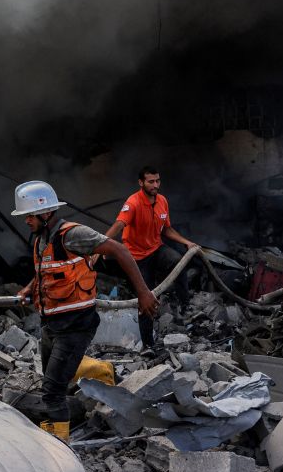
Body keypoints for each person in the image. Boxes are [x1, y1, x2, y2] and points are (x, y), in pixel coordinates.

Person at [12, 180, 158, 443]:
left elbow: (119, 249)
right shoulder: (41, 240)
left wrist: (143, 293)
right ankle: (63, 423)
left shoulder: (73, 234)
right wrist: (28, 288)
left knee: (52, 391)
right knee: (53, 381)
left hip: (76, 324)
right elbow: (46, 272)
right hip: (52, 324)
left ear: (46, 213)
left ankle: (59, 447)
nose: (26, 221)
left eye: (29, 216)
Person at [94, 166, 196, 348]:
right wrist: (99, 247)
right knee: (145, 298)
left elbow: (167, 229)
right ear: (141, 183)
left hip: (157, 249)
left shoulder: (162, 201)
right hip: (138, 258)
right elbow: (118, 225)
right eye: (151, 181)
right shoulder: (133, 203)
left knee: (179, 261)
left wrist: (186, 242)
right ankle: (148, 346)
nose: (155, 185)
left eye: (157, 181)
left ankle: (184, 306)